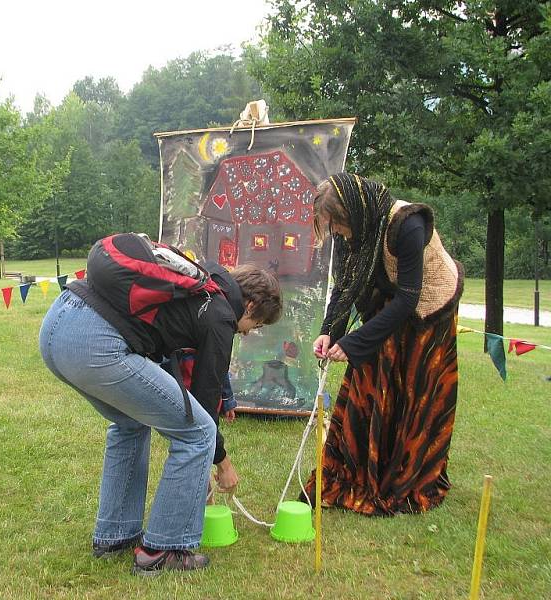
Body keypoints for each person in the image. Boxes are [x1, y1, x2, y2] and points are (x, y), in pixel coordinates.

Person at [39, 256, 281, 576]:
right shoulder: (222, 314)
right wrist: (221, 462)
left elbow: (181, 373)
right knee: (199, 434)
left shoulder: (202, 285)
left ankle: (116, 535)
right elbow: (203, 408)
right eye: (257, 325)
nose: (250, 333)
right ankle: (162, 550)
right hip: (97, 342)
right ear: (249, 306)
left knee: (130, 421)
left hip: (58, 324)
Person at [306, 172, 463, 516]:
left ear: (351, 215)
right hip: (390, 302)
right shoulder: (359, 232)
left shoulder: (407, 225)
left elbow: (409, 299)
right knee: (369, 385)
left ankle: (402, 475)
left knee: (411, 394)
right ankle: (359, 469)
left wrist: (354, 342)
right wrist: (329, 331)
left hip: (428, 313)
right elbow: (345, 286)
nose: (334, 234)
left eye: (335, 226)